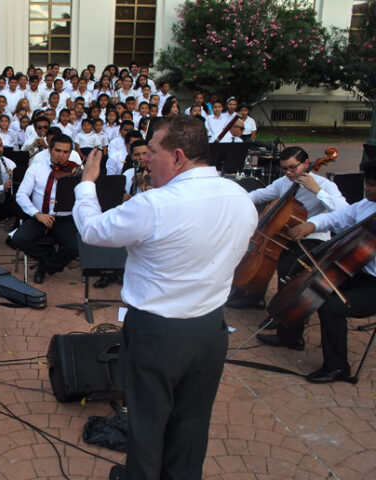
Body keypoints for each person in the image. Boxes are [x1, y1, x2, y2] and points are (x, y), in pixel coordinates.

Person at [73, 116, 257, 480]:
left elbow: (93, 230)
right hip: (211, 330)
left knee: (147, 421)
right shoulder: (240, 197)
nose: (145, 159)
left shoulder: (156, 204)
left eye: (151, 152)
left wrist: (86, 185)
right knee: (192, 421)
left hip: (157, 333)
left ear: (177, 157)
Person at [227, 147, 348, 319]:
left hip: (312, 238)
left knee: (288, 265)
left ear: (306, 163)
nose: (289, 173)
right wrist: (236, 199)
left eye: (293, 167)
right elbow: (261, 195)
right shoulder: (284, 182)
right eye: (285, 169)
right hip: (284, 235)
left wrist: (317, 192)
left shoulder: (325, 185)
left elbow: (345, 211)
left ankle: (283, 315)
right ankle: (254, 296)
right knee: (255, 252)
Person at [283, 160, 376, 383]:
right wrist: (311, 225)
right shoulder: (365, 206)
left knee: (333, 307)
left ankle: (337, 367)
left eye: (372, 185)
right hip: (360, 272)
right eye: (367, 183)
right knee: (316, 286)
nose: (366, 188)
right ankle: (289, 334)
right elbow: (337, 217)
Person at [10, 134, 80, 284]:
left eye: (66, 152)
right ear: (49, 149)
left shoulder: (75, 171)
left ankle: (46, 267)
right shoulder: (35, 168)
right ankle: (46, 255)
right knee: (18, 239)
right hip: (40, 216)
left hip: (64, 217)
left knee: (74, 248)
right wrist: (37, 214)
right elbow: (21, 195)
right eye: (57, 150)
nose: (61, 155)